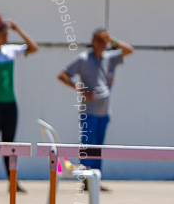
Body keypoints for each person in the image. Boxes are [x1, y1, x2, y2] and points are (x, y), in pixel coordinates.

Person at [57, 28, 133, 189]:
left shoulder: (108, 58)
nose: (103, 44)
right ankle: (86, 179)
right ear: (93, 41)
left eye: (105, 41)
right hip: (88, 112)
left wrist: (113, 40)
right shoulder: (83, 59)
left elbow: (129, 50)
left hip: (104, 111)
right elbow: (63, 75)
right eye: (100, 40)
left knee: (99, 147)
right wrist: (81, 89)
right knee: (87, 145)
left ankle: (96, 180)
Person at [0, 15, 38, 193]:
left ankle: (13, 181)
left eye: (7, 34)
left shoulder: (10, 51)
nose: (6, 38)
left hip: (10, 105)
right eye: (3, 34)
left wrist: (17, 29)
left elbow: (34, 47)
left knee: (10, 143)